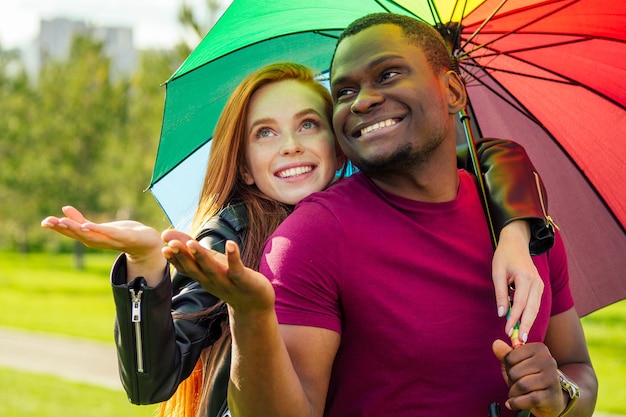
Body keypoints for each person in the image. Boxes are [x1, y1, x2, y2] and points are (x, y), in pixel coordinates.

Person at [44, 61, 552, 417]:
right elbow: (149, 382)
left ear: (338, 143)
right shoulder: (234, 234)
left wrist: (514, 229)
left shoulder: (376, 199)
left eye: (307, 124)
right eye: (264, 133)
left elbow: (489, 153)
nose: (290, 146)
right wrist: (145, 261)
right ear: (243, 161)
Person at [164, 14, 597, 417]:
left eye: (388, 75)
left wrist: (559, 396)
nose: (363, 101)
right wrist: (250, 313)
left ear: (452, 91)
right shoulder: (311, 238)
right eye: (345, 92)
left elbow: (579, 370)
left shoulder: (525, 227)